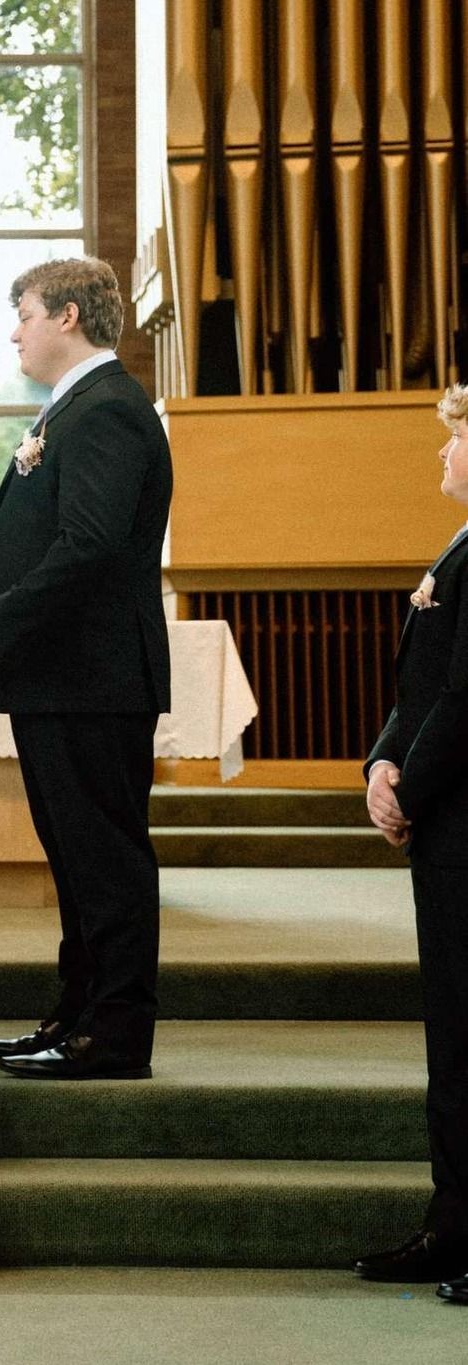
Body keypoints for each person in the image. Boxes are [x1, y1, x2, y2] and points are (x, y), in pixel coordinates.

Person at [0, 257, 172, 1081]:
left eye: (25, 313)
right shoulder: (77, 406)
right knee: (75, 858)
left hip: (90, 675)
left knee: (102, 859)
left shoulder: (104, 409)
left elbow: (90, 545)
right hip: (65, 675)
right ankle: (72, 1017)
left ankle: (112, 1034)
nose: (15, 330)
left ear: (68, 316)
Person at [357, 383, 468, 1300]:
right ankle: (452, 1223)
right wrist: (382, 761)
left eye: (453, 439)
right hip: (442, 814)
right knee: (454, 1031)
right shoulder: (458, 545)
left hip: (463, 814)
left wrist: (410, 786)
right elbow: (420, 687)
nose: (440, 454)